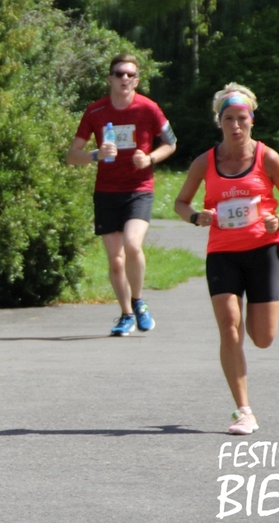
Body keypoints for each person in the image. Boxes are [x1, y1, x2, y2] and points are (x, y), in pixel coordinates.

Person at [173, 83, 279, 435]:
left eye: (241, 118)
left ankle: (255, 328)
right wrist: (195, 216)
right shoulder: (205, 162)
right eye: (228, 118)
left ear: (251, 120)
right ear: (219, 121)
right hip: (222, 253)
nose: (235, 125)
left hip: (263, 250)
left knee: (262, 337)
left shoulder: (267, 157)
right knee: (230, 325)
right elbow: (181, 203)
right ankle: (244, 411)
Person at [66, 54, 177, 336]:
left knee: (132, 244)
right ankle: (126, 314)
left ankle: (138, 302)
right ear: (110, 79)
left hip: (139, 189)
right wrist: (95, 154)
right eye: (119, 74)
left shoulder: (149, 108)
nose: (124, 78)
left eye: (130, 74)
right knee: (116, 259)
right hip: (107, 191)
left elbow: (171, 143)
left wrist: (150, 158)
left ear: (136, 81)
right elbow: (72, 156)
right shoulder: (95, 111)